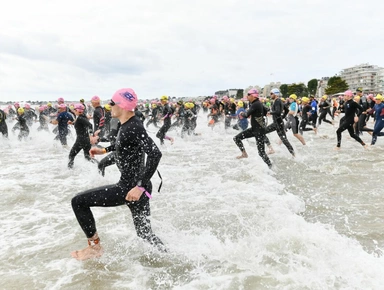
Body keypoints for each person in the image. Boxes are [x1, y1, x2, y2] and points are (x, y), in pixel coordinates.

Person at [71, 88, 166, 261]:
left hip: (130, 188)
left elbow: (155, 153)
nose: (109, 106)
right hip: (135, 187)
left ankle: (94, 248)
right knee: (145, 235)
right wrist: (104, 150)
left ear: (121, 105)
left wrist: (139, 186)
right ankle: (170, 258)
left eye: (112, 103)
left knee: (78, 202)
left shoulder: (134, 126)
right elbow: (124, 144)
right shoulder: (128, 125)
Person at [233, 89, 272, 168]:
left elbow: (246, 115)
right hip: (255, 129)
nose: (247, 96)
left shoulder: (255, 104)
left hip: (259, 131)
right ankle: (244, 154)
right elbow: (266, 111)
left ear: (253, 96)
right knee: (236, 138)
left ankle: (270, 166)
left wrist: (242, 113)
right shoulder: (258, 103)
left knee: (261, 152)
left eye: (248, 94)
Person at [265, 88, 295, 157]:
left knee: (262, 132)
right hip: (279, 122)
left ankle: (271, 149)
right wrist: (282, 117)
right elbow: (287, 110)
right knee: (284, 139)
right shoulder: (279, 101)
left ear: (275, 94)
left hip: (277, 123)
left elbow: (278, 112)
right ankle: (293, 154)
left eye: (271, 93)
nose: (270, 95)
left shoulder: (277, 101)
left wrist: (270, 113)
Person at [68, 104, 94, 168]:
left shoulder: (80, 118)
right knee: (87, 157)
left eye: (74, 109)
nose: (74, 111)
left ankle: (69, 170)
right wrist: (72, 123)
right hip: (86, 140)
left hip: (81, 140)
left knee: (71, 156)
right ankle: (98, 166)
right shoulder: (83, 117)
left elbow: (90, 125)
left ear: (77, 110)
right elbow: (81, 124)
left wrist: (91, 136)